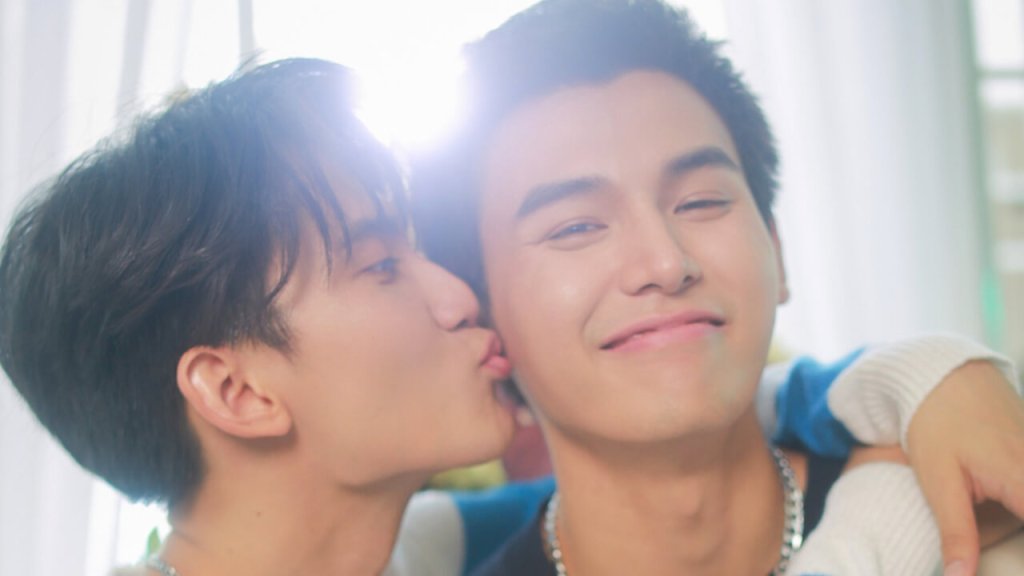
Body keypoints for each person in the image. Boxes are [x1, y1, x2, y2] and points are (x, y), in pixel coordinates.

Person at [409, 0, 1024, 573]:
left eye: (701, 202)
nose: (664, 262)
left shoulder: (974, 518)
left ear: (777, 251)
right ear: (482, 317)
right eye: (575, 227)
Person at [0, 58, 519, 575]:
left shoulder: (455, 545)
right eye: (382, 266)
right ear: (237, 391)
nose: (461, 299)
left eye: (413, 250)